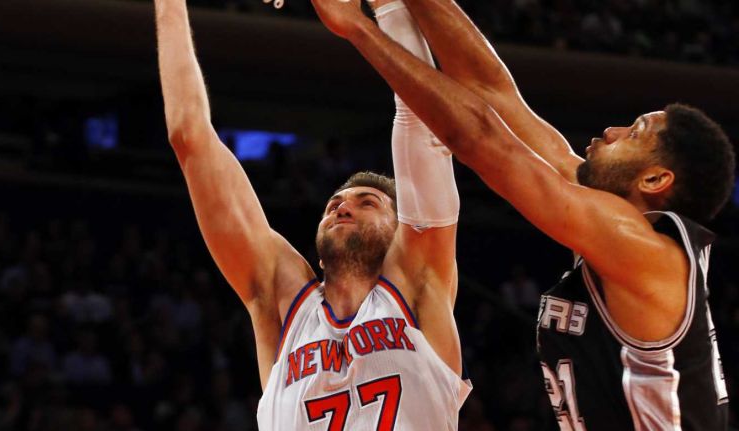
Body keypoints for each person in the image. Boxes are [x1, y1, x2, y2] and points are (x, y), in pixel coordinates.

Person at [310, 0, 735, 429]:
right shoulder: (619, 226)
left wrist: (358, 29)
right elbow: (491, 90)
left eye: (635, 133)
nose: (612, 131)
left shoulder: (643, 248)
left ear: (655, 180)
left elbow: (479, 139)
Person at [153, 0, 470, 429]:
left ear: (400, 232)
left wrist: (386, 6)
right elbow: (189, 136)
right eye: (335, 202)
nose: (343, 205)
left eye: (367, 202)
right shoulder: (283, 303)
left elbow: (420, 119)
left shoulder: (419, 285)